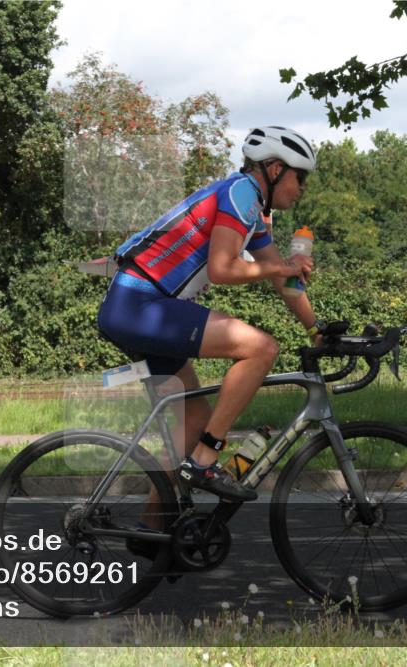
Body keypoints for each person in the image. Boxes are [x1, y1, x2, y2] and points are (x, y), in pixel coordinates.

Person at [97, 126, 325, 523]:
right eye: (299, 177)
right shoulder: (240, 194)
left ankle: (153, 525)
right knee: (261, 348)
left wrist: (317, 330)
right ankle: (205, 459)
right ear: (273, 169)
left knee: (194, 419)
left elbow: (281, 280)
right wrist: (281, 265)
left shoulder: (251, 209)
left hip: (138, 307)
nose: (301, 188)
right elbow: (223, 269)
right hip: (142, 305)